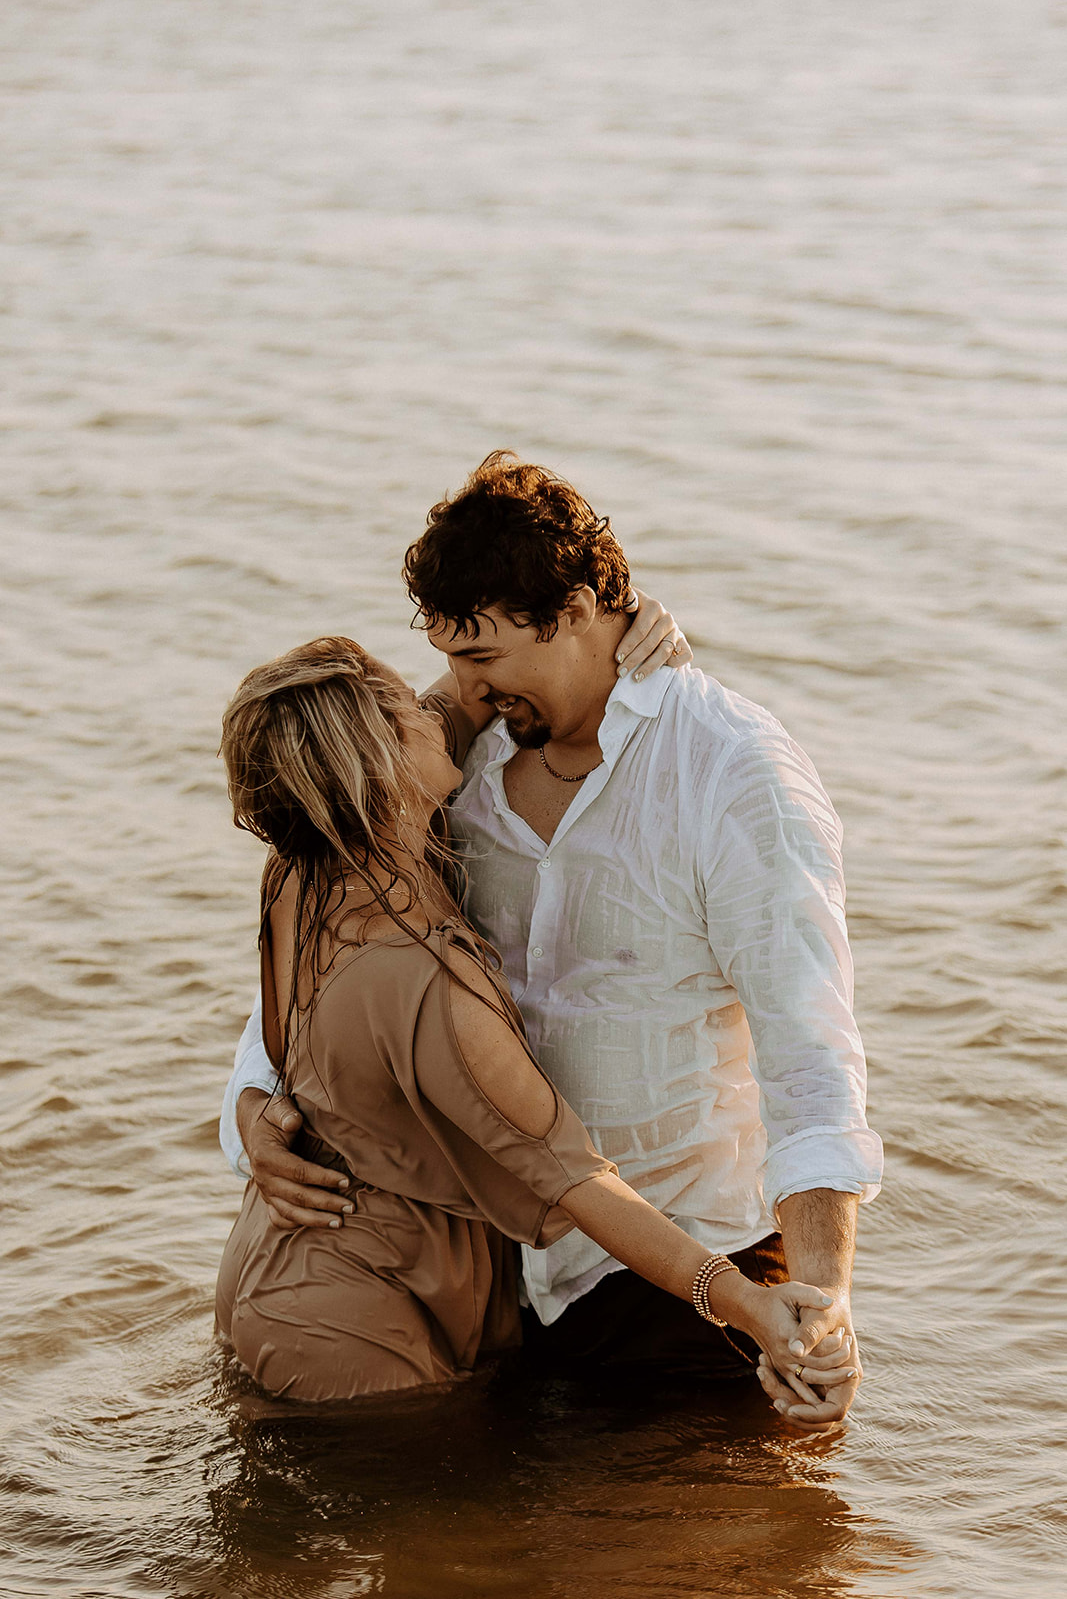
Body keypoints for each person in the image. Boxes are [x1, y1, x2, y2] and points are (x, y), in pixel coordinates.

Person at [223, 453, 883, 1426]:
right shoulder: (442, 754)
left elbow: (810, 1056)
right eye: (448, 659)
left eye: (481, 658)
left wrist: (822, 1297)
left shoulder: (733, 777)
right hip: (487, 1279)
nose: (460, 690)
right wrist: (252, 1099)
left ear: (574, 610)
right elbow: (331, 920)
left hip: (682, 1268)